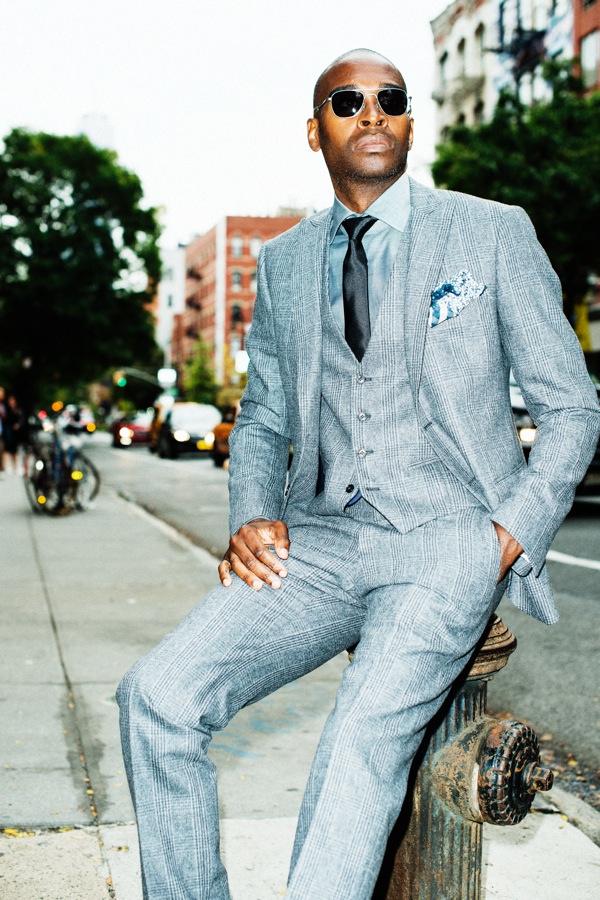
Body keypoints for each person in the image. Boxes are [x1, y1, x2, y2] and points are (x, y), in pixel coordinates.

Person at [117, 49, 600, 899]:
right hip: (319, 542)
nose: (370, 111)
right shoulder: (283, 262)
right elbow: (263, 416)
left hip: (447, 542)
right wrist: (252, 515)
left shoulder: (491, 231)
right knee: (155, 697)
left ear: (410, 122)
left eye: (390, 99)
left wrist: (506, 537)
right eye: (347, 101)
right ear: (316, 131)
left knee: (360, 739)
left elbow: (573, 407)